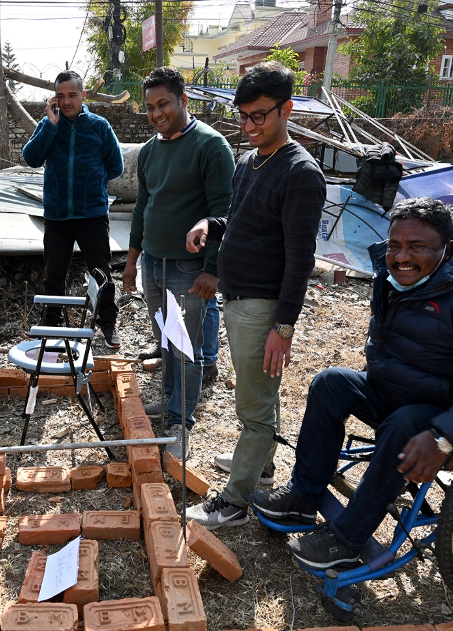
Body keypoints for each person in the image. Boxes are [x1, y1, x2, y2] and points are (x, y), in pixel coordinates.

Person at [250, 197, 453, 569]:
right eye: (395, 245)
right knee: (331, 383)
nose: (401, 256)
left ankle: (348, 539)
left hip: (449, 416)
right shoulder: (394, 280)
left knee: (405, 423)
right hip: (399, 397)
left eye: (417, 246)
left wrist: (444, 437)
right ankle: (304, 501)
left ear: (447, 249)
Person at [183, 62, 327, 530]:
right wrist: (211, 224)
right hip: (238, 296)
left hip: (262, 304)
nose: (247, 126)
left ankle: (236, 502)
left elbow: (299, 258)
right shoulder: (249, 160)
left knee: (255, 404)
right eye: (242, 116)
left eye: (258, 116)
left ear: (286, 109)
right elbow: (242, 220)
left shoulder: (301, 173)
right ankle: (261, 466)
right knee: (255, 392)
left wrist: (282, 327)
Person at [121, 66, 235, 459]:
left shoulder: (211, 146)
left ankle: (180, 422)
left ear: (183, 100)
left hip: (189, 268)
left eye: (163, 104)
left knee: (187, 346)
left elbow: (226, 212)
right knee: (165, 338)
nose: (156, 114)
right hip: (154, 262)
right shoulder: (151, 150)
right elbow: (142, 208)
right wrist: (132, 260)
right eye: (150, 107)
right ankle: (170, 399)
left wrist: (213, 269)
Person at [22, 71, 124, 347]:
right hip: (57, 216)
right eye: (61, 96)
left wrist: (93, 180)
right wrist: (50, 125)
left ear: (83, 95)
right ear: (54, 98)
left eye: (72, 95)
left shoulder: (99, 126)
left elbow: (116, 165)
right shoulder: (48, 125)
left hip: (92, 214)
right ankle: (51, 323)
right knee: (54, 274)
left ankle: (107, 324)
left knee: (101, 272)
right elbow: (30, 158)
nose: (67, 102)